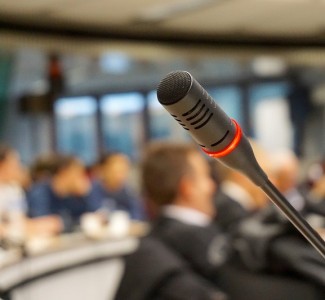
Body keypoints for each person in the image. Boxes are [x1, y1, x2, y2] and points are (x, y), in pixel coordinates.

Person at [141, 141, 231, 296]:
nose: (212, 186)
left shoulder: (154, 240)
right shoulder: (202, 243)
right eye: (205, 176)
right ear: (187, 187)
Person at [212, 140, 270, 232]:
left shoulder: (228, 205)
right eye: (264, 174)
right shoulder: (231, 213)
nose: (270, 182)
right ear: (241, 172)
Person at [27, 154, 94, 233]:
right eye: (78, 173)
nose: (81, 178)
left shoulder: (73, 195)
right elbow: (42, 224)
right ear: (64, 172)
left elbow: (87, 218)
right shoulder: (40, 193)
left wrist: (85, 195)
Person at [89, 151, 145, 220]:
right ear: (103, 170)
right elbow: (94, 211)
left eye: (123, 171)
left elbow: (137, 214)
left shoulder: (129, 191)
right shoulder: (93, 190)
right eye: (115, 171)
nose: (120, 176)